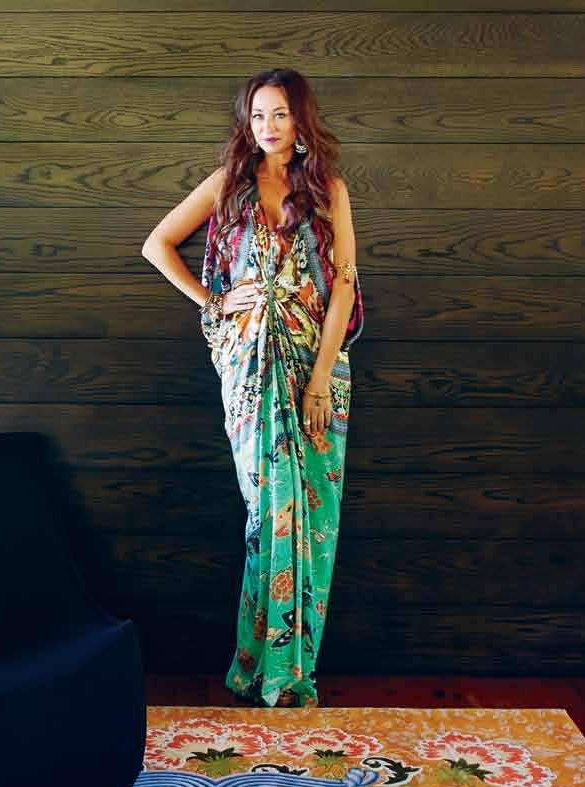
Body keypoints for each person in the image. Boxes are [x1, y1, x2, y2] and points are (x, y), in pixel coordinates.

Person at [142, 68, 364, 707]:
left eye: (280, 114)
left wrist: (318, 382)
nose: (268, 126)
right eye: (258, 115)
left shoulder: (328, 189)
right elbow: (157, 244)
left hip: (317, 364)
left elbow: (343, 285)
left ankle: (292, 671)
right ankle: (258, 667)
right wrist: (214, 301)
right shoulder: (229, 184)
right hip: (247, 368)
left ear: (301, 121)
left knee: (315, 515)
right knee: (269, 511)